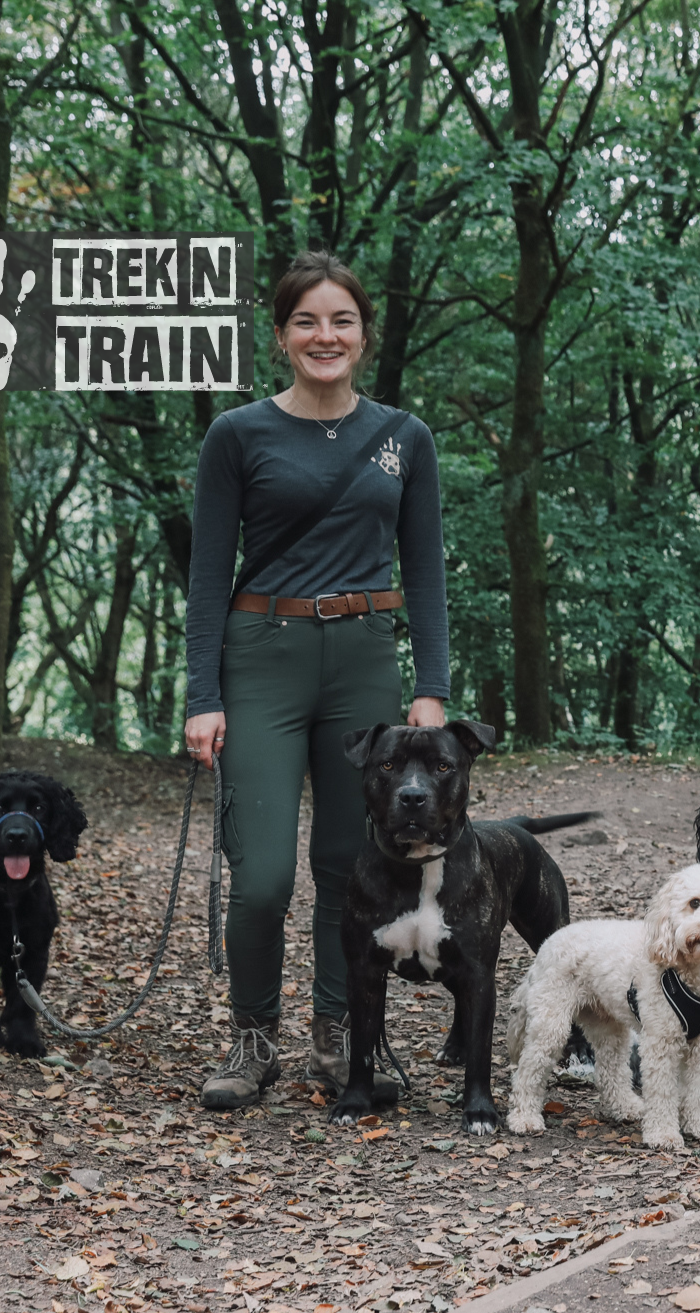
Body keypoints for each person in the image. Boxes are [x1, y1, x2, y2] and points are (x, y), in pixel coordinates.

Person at [184, 251, 450, 1110]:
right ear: (281, 335)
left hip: (366, 653)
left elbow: (427, 571)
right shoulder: (238, 434)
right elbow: (206, 572)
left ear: (364, 335)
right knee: (261, 870)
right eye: (307, 321)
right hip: (261, 652)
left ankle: (342, 1029)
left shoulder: (406, 438)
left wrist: (431, 686)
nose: (324, 335)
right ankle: (252, 1033)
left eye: (341, 320)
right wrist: (202, 694)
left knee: (354, 862)